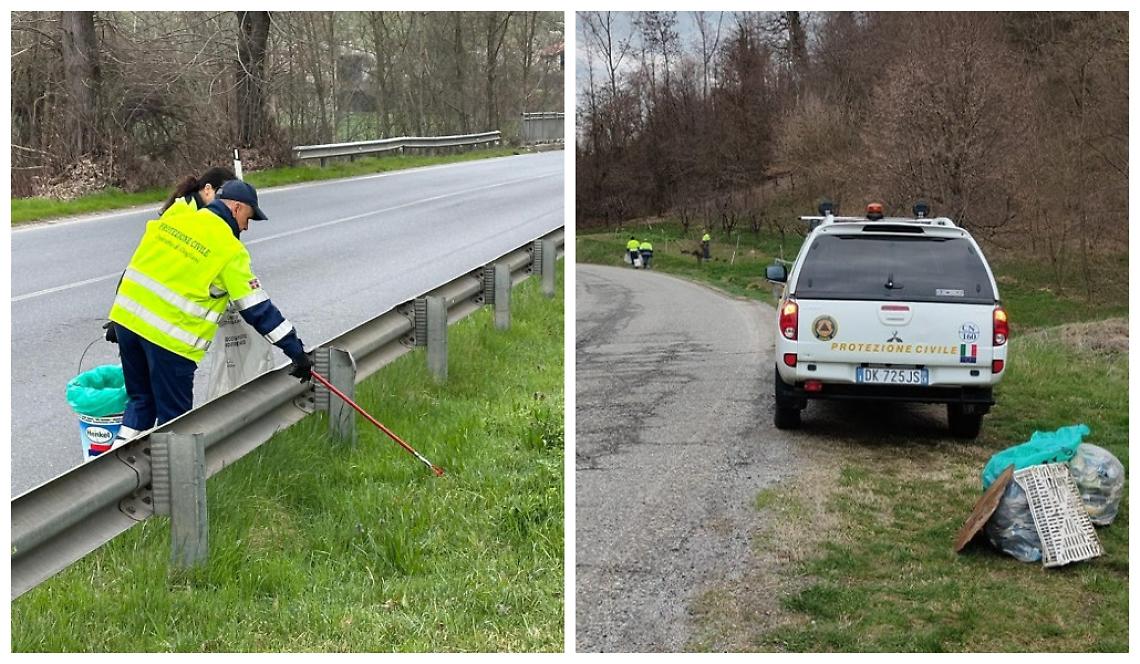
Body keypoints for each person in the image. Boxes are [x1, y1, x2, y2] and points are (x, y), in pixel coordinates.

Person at [105, 180, 312, 445]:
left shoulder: (177, 217)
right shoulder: (228, 249)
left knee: (140, 403)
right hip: (168, 340)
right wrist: (296, 351)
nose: (246, 227)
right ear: (237, 208)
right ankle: (175, 484)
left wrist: (117, 318)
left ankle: (122, 474)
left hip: (127, 323)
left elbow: (137, 266)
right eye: (248, 218)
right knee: (175, 424)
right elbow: (258, 309)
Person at [159, 166, 236, 216]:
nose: (227, 205)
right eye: (223, 196)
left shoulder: (191, 202)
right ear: (207, 189)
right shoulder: (190, 211)